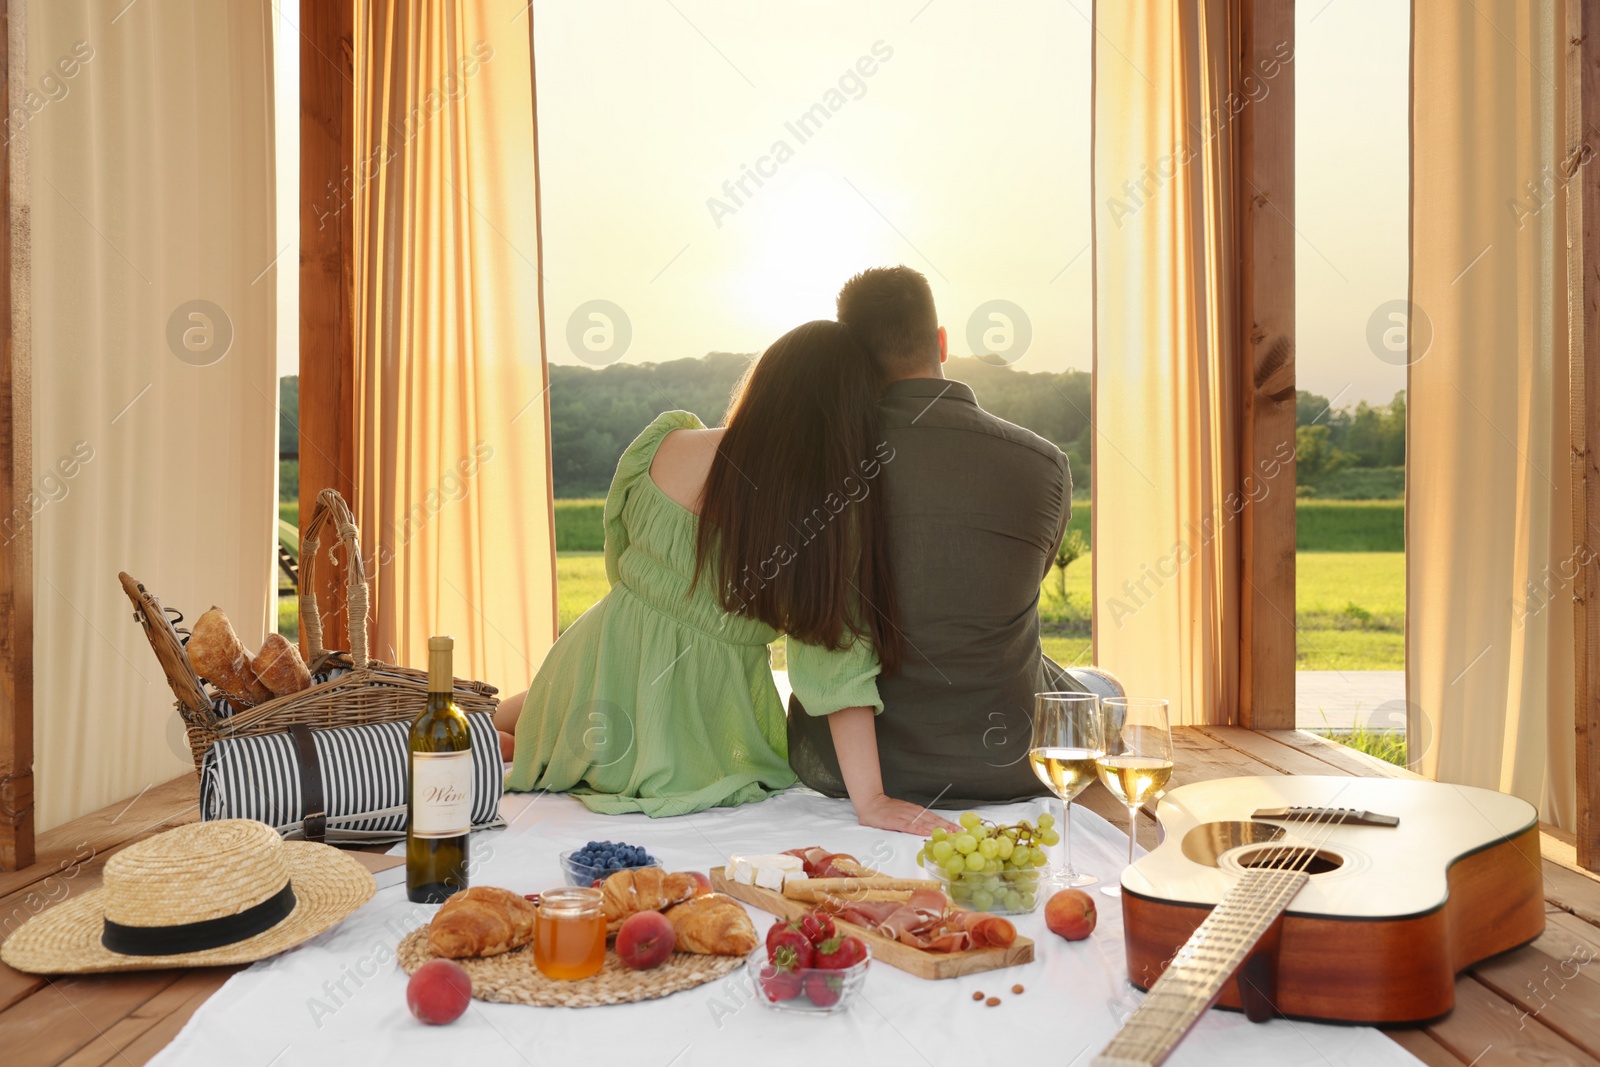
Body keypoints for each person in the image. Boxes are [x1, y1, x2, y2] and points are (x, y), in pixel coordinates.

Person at [496, 320, 959, 833]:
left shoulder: (665, 442)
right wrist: (870, 798)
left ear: (765, 382)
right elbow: (835, 664)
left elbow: (619, 560)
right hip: (699, 709)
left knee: (518, 738)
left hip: (596, 655)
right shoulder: (825, 512)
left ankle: (466, 729)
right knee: (520, 744)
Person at [787, 266, 1091, 808]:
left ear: (851, 360)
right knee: (1099, 689)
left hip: (860, 769)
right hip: (1015, 762)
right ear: (942, 342)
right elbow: (1017, 584)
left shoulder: (821, 470)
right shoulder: (1045, 464)